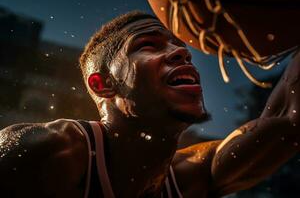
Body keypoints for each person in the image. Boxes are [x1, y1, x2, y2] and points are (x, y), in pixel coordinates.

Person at [0, 11, 299, 198]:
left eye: (180, 47)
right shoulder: (43, 151)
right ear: (103, 84)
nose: (182, 54)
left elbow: (289, 118)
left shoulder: (190, 177)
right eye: (147, 46)